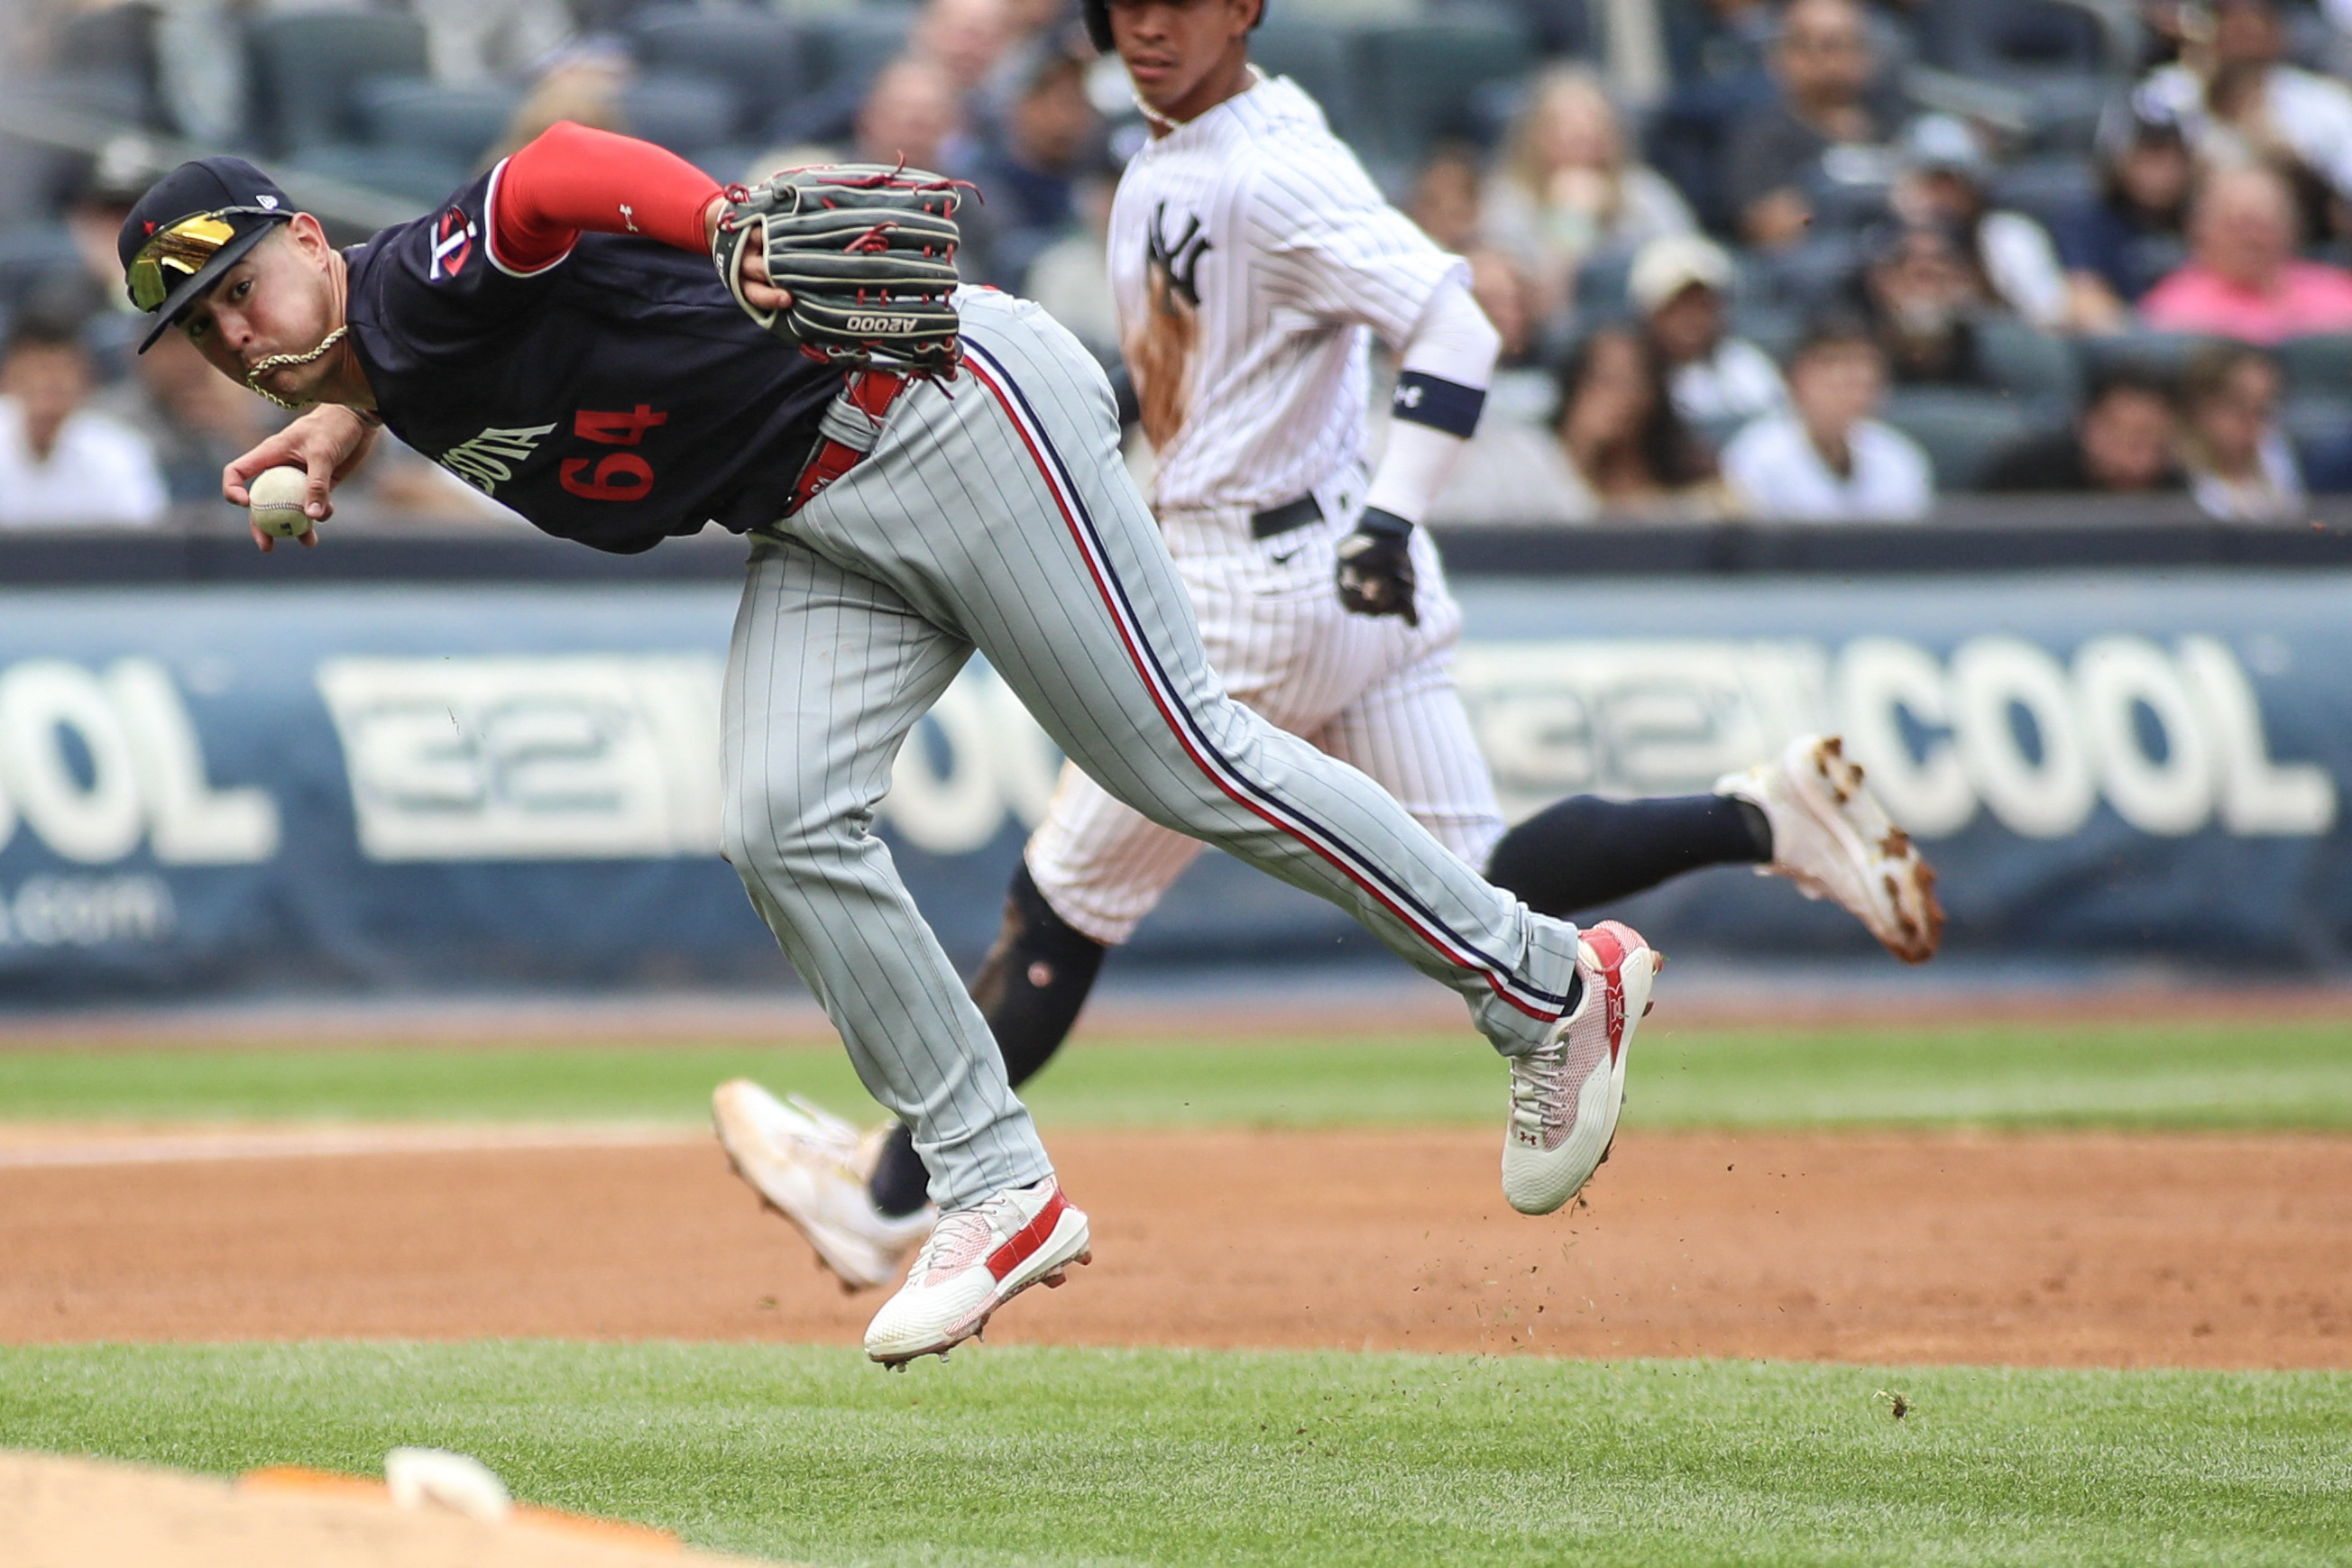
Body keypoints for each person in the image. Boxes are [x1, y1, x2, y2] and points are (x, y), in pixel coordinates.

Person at [124, 130, 1648, 1363]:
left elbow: (547, 173)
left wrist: (720, 218)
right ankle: (993, 1182)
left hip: (940, 411)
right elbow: (423, 349)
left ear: (309, 239)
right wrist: (345, 421)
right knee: (778, 816)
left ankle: (1543, 983)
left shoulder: (409, 284)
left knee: (1181, 759)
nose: (238, 335)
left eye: (242, 288)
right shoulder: (378, 354)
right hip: (810, 512)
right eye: (206, 329)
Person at [717, 0, 1943, 1300]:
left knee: (1062, 909)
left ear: (1243, 8)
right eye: (1123, 6)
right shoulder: (1179, 151)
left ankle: (891, 1196)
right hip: (1331, 564)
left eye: (1177, 5)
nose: (1145, 29)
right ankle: (1757, 818)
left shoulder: (1267, 161)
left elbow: (1459, 325)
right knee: (1473, 877)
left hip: (1257, 577)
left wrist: (1396, 509)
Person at [1481, 66, 1696, 320]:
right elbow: (1538, 312)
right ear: (1534, 134)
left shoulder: (1644, 192)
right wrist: (1571, 219)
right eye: (1563, 123)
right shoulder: (1507, 200)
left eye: (1593, 120)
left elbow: (1690, 276)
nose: (1581, 133)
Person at [2139, 0, 2352, 234]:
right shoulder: (2166, 94)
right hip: (2182, 236)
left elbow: (2344, 203)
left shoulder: (2324, 103)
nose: (2243, 44)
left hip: (2302, 242)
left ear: (2277, 33)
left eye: (2253, 30)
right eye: (2233, 28)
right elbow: (2139, 185)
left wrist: (2290, 161)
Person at [1723, 0, 1897, 251]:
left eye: (1833, 45)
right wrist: (1825, 211)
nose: (1819, 58)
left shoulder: (1893, 124)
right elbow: (1769, 228)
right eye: (1804, 45)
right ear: (1779, 57)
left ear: (1866, 54)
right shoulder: (1761, 136)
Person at [1722, 317, 1934, 520]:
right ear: (1795, 378)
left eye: (1859, 365)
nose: (1845, 378)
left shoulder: (1900, 458)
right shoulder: (1758, 455)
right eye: (1830, 363)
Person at [1889, 115, 2069, 333]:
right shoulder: (1889, 241)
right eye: (1934, 182)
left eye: (1955, 182)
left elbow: (2050, 316)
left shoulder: (2007, 235)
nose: (1945, 195)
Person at [2138, 164, 2352, 344]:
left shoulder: (2336, 288)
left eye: (2265, 225)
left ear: (2292, 230)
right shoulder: (2174, 309)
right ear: (2201, 232)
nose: (2253, 239)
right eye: (2239, 226)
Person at [0, 315, 167, 527]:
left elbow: (144, 543)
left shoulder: (119, 452)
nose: (49, 381)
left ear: (85, 378)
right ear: (9, 375)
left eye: (62, 368)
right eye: (38, 367)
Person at [1548, 324, 1729, 519]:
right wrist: (1581, 443)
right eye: (1604, 380)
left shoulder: (1696, 476)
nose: (1618, 397)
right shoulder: (1541, 467)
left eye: (1631, 381)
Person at [2053, 99, 2195, 334]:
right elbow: (2086, 300)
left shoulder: (2201, 217)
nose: (2166, 170)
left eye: (2176, 155)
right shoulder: (2086, 222)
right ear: (2115, 159)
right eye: (2150, 154)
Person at [1630, 232, 1788, 429]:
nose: (1691, 319)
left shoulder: (1745, 365)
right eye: (1677, 307)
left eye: (1703, 305)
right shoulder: (1631, 376)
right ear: (1651, 314)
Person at [1982, 364, 2184, 493]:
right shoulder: (2026, 478)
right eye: (2122, 438)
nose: (2136, 463)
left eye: (2153, 443)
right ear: (2087, 424)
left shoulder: (2181, 494)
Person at [1858, 221, 1998, 390]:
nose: (1926, 288)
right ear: (1878, 280)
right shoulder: (1850, 344)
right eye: (1902, 261)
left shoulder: (1997, 350)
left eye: (1941, 267)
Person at [2175, 340, 2305, 521]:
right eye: (2239, 405)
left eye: (2262, 410)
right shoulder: (2172, 473)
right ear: (2200, 406)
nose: (2252, 422)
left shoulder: (2274, 454)